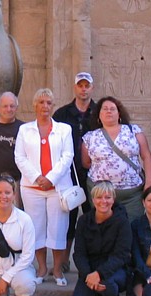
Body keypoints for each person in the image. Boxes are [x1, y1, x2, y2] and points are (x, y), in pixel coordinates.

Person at [14, 88, 73, 287]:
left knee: (57, 229)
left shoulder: (64, 129)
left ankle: (57, 270)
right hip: (32, 188)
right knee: (36, 228)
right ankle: (41, 268)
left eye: (48, 102)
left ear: (53, 106)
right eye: (41, 102)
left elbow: (67, 157)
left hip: (58, 188)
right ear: (34, 106)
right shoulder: (25, 130)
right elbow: (19, 157)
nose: (45, 106)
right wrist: (37, 177)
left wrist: (51, 178)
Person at [82, 96, 151, 222]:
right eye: (105, 109)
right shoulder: (90, 137)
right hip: (101, 195)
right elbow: (86, 163)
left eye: (112, 109)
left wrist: (149, 181)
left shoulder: (134, 131)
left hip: (132, 194)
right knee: (104, 230)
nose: (109, 111)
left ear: (119, 113)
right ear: (98, 115)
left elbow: (146, 156)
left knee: (132, 229)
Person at [69, 181, 132, 296]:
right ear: (93, 200)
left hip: (115, 271)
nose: (103, 201)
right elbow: (79, 253)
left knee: (107, 283)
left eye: (108, 197)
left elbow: (122, 255)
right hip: (90, 271)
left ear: (113, 199)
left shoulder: (122, 222)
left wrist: (99, 273)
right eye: (99, 197)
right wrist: (88, 275)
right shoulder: (84, 221)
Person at [53, 72, 96, 273]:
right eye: (80, 85)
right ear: (75, 88)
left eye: (87, 85)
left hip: (93, 173)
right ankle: (62, 261)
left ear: (91, 88)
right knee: (67, 220)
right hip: (67, 174)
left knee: (93, 217)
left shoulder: (99, 112)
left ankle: (93, 259)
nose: (83, 89)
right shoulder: (62, 114)